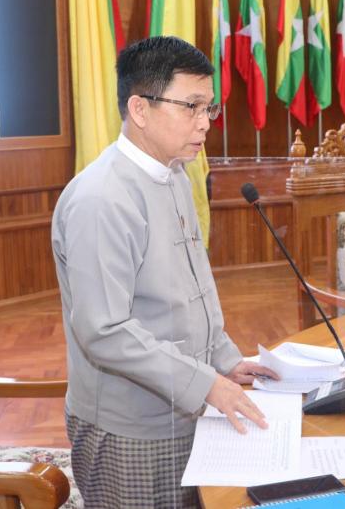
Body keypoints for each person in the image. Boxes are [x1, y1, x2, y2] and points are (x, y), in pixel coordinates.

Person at [51, 36, 278, 508]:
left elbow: (191, 287)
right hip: (131, 430)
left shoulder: (172, 173)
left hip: (187, 405)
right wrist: (206, 383)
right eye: (192, 106)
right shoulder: (102, 198)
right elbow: (104, 331)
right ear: (140, 108)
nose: (205, 122)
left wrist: (224, 359)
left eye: (209, 108)